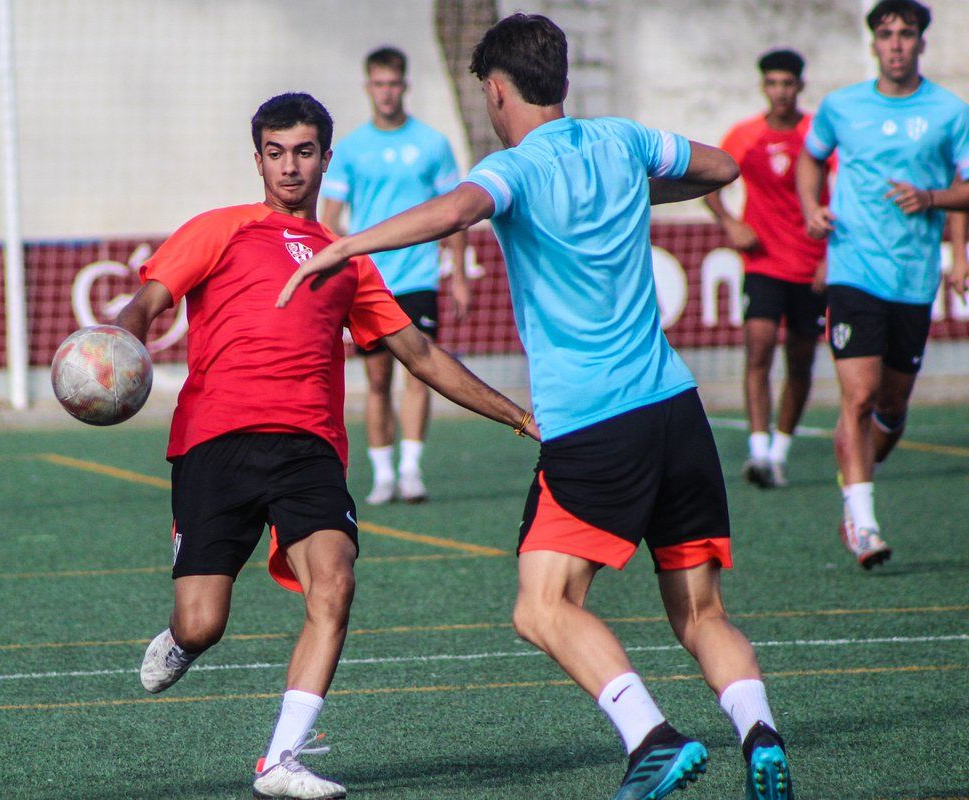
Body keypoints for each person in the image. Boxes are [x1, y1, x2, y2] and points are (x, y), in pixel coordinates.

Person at [280, 14, 793, 800]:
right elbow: (721, 167)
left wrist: (347, 245)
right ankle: (761, 735)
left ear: (496, 90)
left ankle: (651, 738)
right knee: (701, 614)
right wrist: (636, 192)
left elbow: (456, 210)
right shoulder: (621, 139)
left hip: (594, 424)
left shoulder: (515, 168)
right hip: (676, 408)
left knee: (543, 606)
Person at [116, 92, 537, 800]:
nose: (290, 167)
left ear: (326, 159)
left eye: (304, 152)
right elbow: (145, 305)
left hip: (308, 448)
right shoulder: (219, 229)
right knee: (204, 621)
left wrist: (518, 416)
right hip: (215, 441)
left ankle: (280, 760)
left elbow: (420, 355)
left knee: (335, 582)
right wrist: (113, 354)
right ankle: (183, 641)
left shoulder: (348, 261)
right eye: (276, 153)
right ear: (258, 161)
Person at [796, 0, 969, 570]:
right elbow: (811, 158)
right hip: (853, 269)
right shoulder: (842, 106)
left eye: (906, 33)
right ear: (873, 44)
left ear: (921, 42)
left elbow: (966, 185)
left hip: (913, 278)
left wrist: (935, 203)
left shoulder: (950, 112)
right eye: (887, 33)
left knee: (891, 406)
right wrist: (812, 208)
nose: (896, 43)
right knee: (860, 395)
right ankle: (862, 522)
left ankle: (858, 476)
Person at [320, 46, 471, 505]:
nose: (386, 92)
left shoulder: (432, 144)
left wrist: (458, 275)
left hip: (419, 277)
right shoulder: (350, 149)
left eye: (393, 83)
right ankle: (383, 474)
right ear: (368, 87)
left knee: (421, 373)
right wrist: (337, 270)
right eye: (379, 84)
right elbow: (330, 219)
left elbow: (454, 211)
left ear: (404, 85)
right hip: (370, 281)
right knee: (377, 380)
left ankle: (410, 472)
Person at [705, 49, 832, 489]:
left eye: (787, 83)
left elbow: (846, 190)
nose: (780, 92)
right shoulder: (745, 135)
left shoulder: (818, 134)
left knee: (800, 361)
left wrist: (831, 256)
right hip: (762, 262)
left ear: (800, 86)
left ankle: (780, 453)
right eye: (773, 83)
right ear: (764, 86)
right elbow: (711, 180)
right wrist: (729, 222)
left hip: (810, 265)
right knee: (758, 350)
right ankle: (758, 452)